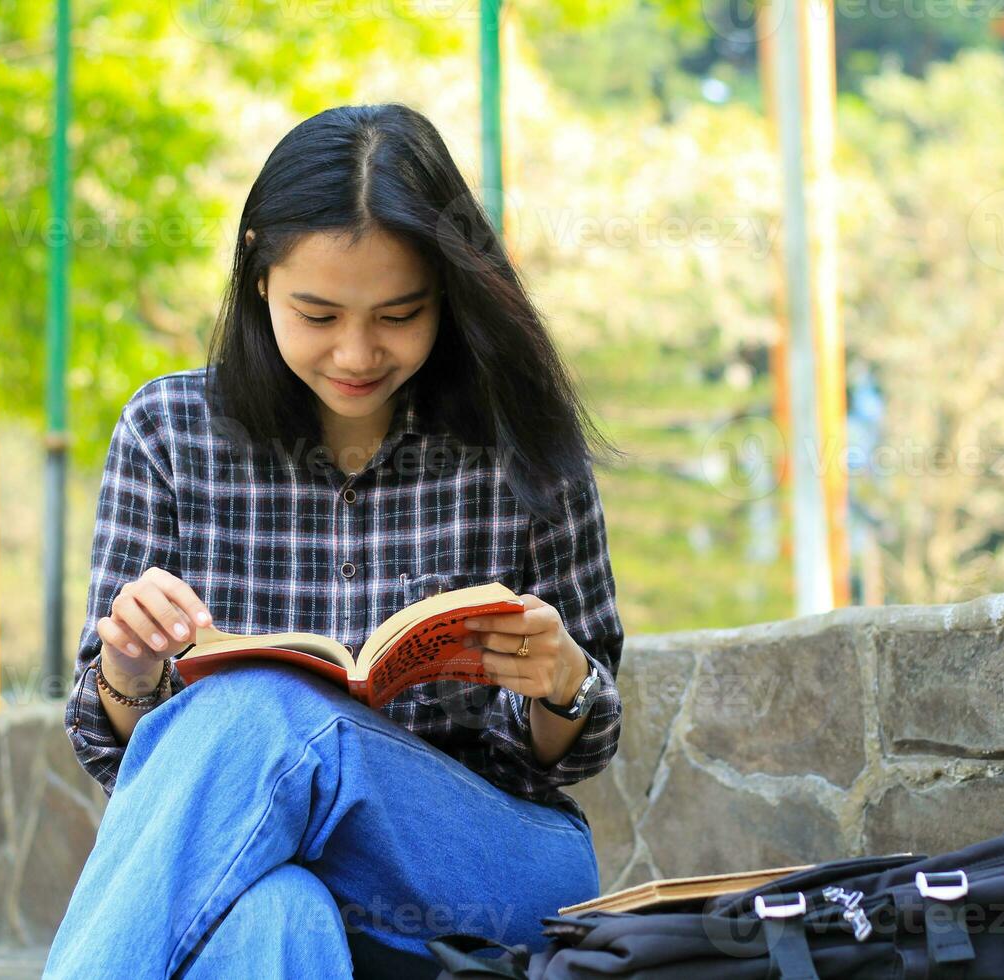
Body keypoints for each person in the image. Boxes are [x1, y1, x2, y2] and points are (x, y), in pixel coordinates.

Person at [44, 103, 628, 979]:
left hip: (493, 867)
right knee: (278, 918)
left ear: (448, 293)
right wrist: (127, 673)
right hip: (268, 858)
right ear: (259, 279)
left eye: (399, 315)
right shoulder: (167, 434)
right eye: (317, 314)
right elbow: (122, 756)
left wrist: (560, 684)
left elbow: (579, 745)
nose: (356, 352)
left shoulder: (519, 446)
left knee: (265, 714)